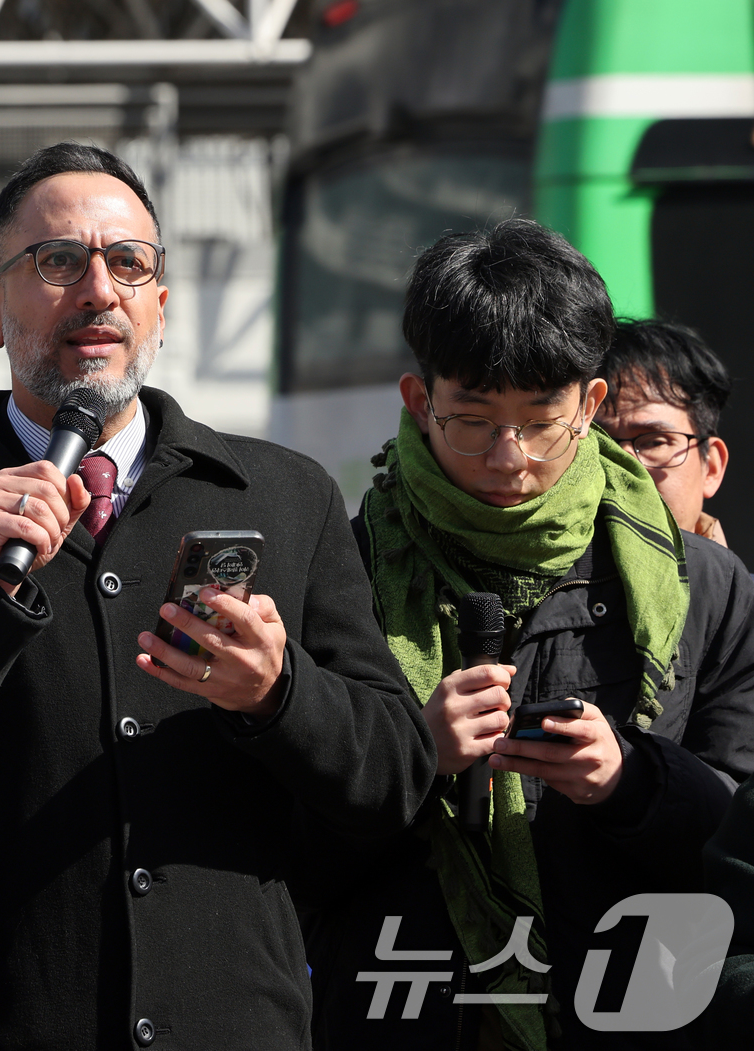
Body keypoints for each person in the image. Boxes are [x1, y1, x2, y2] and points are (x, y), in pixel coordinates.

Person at [0, 141, 436, 1049]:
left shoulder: (285, 497)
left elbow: (395, 777)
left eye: (128, 263)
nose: (98, 289)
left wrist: (278, 694)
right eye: (57, 262)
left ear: (160, 308)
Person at [306, 219, 754, 1050]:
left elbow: (741, 844)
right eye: (471, 421)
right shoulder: (342, 570)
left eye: (541, 421)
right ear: (420, 400)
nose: (508, 458)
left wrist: (629, 780)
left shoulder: (702, 585)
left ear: (588, 403)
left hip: (633, 1013)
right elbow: (282, 841)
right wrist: (411, 754)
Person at [595, 318, 731, 546]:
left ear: (711, 468)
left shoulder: (737, 583)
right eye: (600, 442)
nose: (623, 464)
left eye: (654, 442)